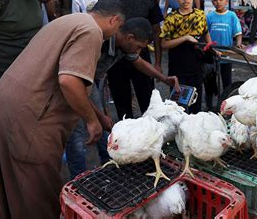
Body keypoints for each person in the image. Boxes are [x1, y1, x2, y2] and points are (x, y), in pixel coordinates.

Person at [0, 0, 126, 218]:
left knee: (10, 187)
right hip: (29, 118)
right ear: (114, 20)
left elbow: (75, 83)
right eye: (119, 27)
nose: (116, 33)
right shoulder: (91, 31)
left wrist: (99, 117)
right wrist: (91, 121)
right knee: (37, 194)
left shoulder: (69, 20)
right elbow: (69, 81)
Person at [65, 17, 180, 179]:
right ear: (130, 38)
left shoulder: (125, 46)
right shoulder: (99, 43)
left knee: (103, 131)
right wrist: (96, 118)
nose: (138, 51)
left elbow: (139, 62)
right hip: (71, 85)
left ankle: (109, 168)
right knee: (76, 136)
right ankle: (80, 180)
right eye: (139, 47)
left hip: (89, 82)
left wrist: (163, 78)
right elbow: (76, 86)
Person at [99, 0, 164, 120]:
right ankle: (127, 141)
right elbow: (100, 29)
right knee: (122, 107)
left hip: (141, 58)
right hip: (115, 61)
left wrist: (157, 62)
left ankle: (150, 137)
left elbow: (156, 32)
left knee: (148, 105)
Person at [161, 0, 212, 113]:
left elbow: (206, 33)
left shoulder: (200, 15)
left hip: (196, 66)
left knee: (196, 102)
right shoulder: (171, 18)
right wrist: (185, 38)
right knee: (178, 107)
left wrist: (211, 48)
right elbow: (164, 44)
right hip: (177, 67)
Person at [204, 0, 243, 111]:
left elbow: (238, 32)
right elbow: (205, 34)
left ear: (226, 1)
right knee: (210, 83)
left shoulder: (231, 16)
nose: (218, 2)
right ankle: (209, 107)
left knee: (227, 82)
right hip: (211, 55)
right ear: (212, 2)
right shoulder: (209, 16)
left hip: (227, 55)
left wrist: (238, 43)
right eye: (215, 0)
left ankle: (226, 107)